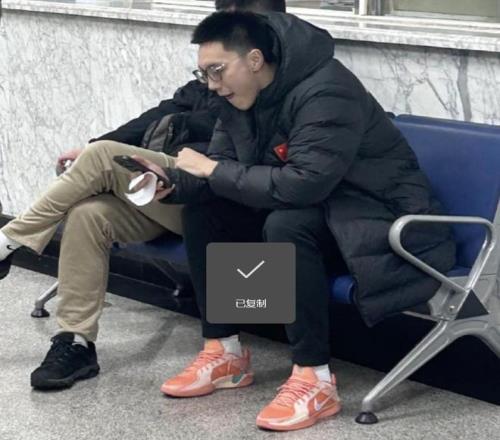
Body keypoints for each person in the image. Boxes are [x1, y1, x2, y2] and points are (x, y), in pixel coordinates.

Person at [140, 11, 456, 431]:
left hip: (383, 219)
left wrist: (212, 171)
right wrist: (174, 183)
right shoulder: (238, 97)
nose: (212, 84)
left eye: (217, 70)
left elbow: (303, 185)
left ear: (254, 60)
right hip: (326, 211)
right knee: (206, 213)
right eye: (204, 74)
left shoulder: (328, 90)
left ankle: (315, 379)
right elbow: (223, 167)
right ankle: (225, 353)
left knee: (286, 225)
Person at [0, 0, 287, 391]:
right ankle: (75, 341)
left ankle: (9, 241)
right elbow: (157, 115)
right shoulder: (208, 81)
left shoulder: (279, 87)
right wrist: (96, 145)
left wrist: (171, 131)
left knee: (102, 157)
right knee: (89, 213)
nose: (212, 74)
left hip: (222, 207)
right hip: (174, 194)